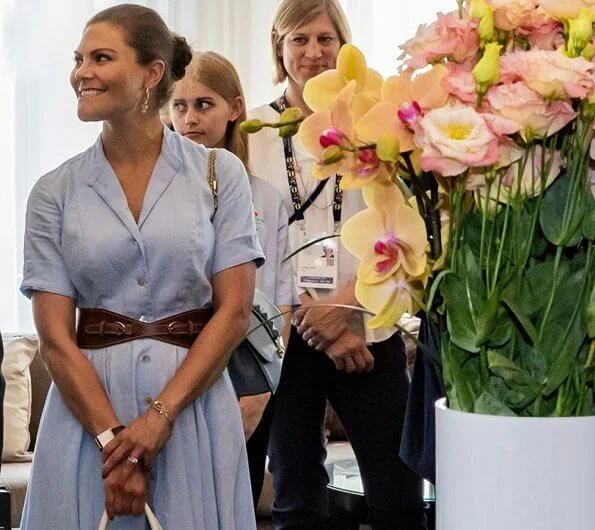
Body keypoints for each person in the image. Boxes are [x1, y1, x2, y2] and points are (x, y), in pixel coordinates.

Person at [19, 5, 263, 529]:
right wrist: (116, 445)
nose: (81, 71)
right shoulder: (53, 192)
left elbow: (235, 311)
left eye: (101, 57)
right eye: (78, 58)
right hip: (86, 421)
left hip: (192, 410)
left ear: (152, 74)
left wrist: (158, 420)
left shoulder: (221, 174)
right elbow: (55, 340)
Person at [248, 0, 425, 528]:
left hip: (367, 334)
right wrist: (315, 319)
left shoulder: (380, 127)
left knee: (398, 497)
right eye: (299, 40)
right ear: (280, 49)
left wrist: (346, 306)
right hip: (286, 339)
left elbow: (406, 231)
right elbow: (250, 240)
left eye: (326, 39)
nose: (313, 52)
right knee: (295, 500)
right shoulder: (253, 133)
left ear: (344, 46)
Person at [168, 50, 295, 509]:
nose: (189, 119)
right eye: (179, 106)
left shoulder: (263, 195)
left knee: (232, 505)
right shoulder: (154, 191)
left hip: (246, 376)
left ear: (234, 110)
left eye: (204, 105)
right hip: (173, 367)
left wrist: (261, 389)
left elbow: (280, 301)